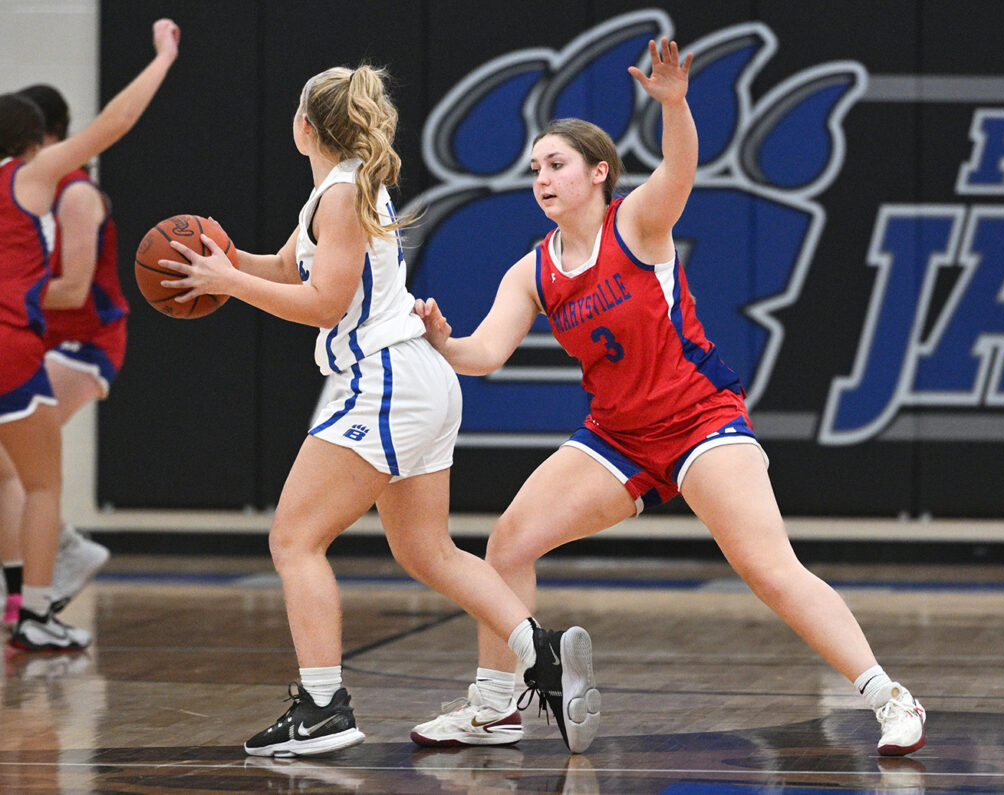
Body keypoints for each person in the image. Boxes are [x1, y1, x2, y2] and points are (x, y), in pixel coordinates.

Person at [409, 38, 927, 757]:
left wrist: (675, 105)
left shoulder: (639, 222)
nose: (542, 179)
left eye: (556, 164)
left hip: (699, 419)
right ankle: (497, 706)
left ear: (598, 173)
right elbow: (485, 355)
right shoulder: (532, 272)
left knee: (767, 568)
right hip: (615, 437)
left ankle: (890, 696)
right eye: (534, 169)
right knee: (507, 542)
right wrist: (442, 338)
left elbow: (680, 167)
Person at [155, 63, 600, 757]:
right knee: (424, 548)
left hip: (384, 380)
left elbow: (325, 304)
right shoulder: (341, 190)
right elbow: (286, 269)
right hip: (413, 381)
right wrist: (225, 260)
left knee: (293, 538)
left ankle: (323, 706)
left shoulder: (341, 193)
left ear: (304, 127)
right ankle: (538, 654)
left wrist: (227, 282)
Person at [0, 18, 180, 652]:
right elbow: (116, 123)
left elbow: (75, 290)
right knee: (39, 481)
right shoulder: (33, 179)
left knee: (8, 474)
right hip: (18, 343)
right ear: (37, 144)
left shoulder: (71, 195)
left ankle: (27, 590)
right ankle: (37, 605)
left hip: (72, 343)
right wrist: (162, 57)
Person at [0, 84, 119, 629]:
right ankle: (32, 583)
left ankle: (48, 576)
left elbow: (72, 291)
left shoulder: (72, 193)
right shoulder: (21, 188)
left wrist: (10, 288)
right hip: (31, 337)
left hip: (84, 342)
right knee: (10, 470)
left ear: (49, 141)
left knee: (22, 470)